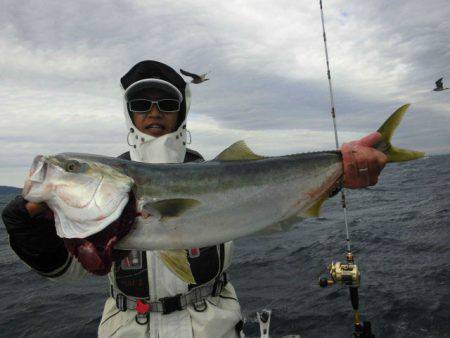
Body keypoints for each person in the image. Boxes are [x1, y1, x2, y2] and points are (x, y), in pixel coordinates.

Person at [2, 60, 387, 337]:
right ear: (128, 113)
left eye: (166, 104)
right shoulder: (102, 199)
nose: (154, 113)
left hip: (213, 326)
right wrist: (31, 237)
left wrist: (333, 177)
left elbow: (275, 218)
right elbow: (72, 272)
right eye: (141, 105)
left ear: (182, 109)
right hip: (128, 328)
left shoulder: (213, 170)